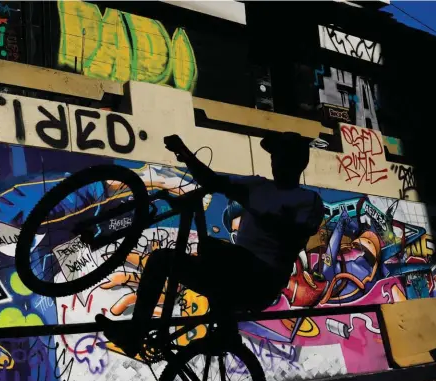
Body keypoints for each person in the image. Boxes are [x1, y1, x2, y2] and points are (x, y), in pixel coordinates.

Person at [95, 131, 325, 356]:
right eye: (275, 158)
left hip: (262, 281)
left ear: (298, 164)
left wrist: (261, 210)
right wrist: (184, 153)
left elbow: (295, 233)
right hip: (233, 274)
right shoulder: (257, 186)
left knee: (219, 251)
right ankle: (136, 334)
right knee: (162, 260)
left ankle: (226, 328)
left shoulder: (307, 200)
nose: (277, 163)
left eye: (282, 158)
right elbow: (212, 181)